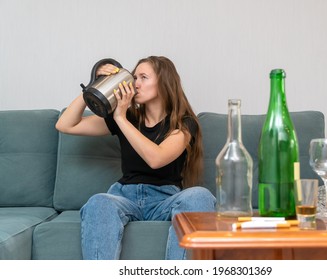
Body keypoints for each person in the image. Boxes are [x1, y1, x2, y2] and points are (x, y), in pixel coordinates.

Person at [56, 56, 216, 260]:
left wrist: (120, 118)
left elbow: (156, 158)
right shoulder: (128, 117)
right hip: (125, 196)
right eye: (133, 77)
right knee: (99, 202)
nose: (135, 83)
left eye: (143, 77)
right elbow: (65, 125)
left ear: (164, 82)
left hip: (165, 199)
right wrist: (93, 86)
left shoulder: (184, 124)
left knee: (200, 196)